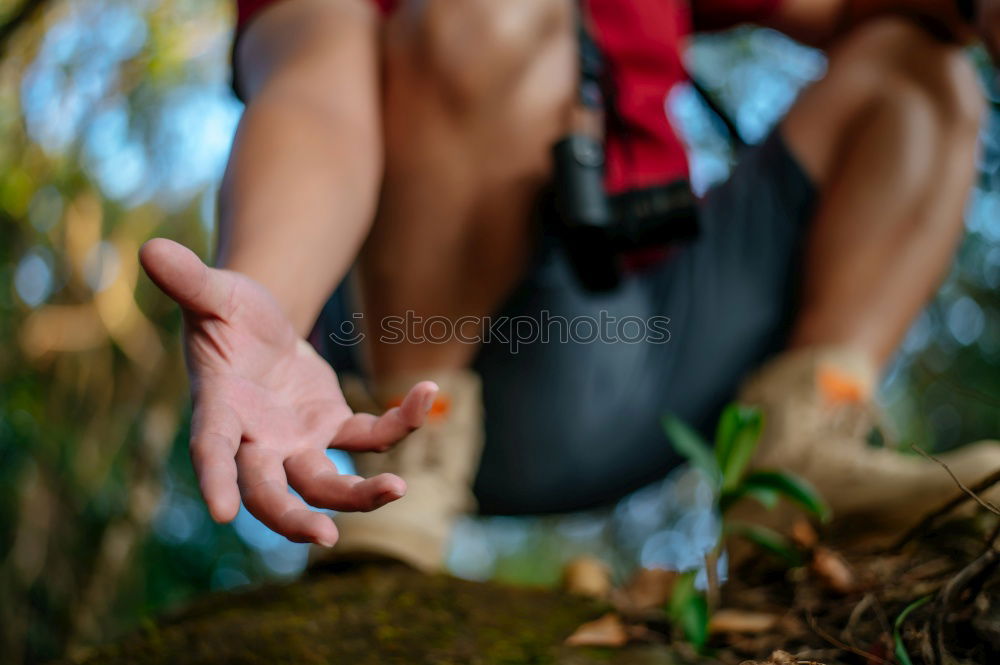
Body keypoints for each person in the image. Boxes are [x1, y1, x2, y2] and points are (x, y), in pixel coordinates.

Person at [139, 0, 1000, 572]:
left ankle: (804, 456)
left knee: (920, 71)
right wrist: (270, 300)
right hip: (436, 355)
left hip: (654, 343)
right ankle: (416, 450)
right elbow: (313, 98)